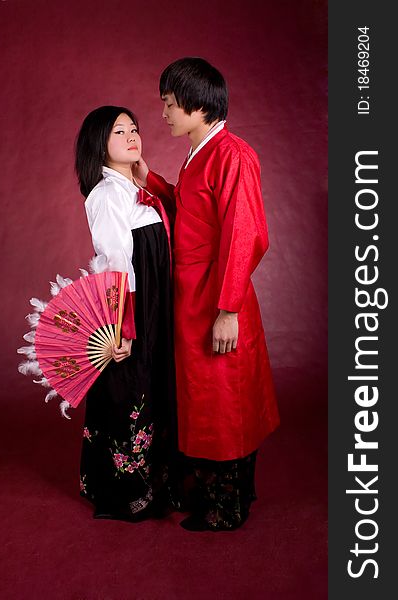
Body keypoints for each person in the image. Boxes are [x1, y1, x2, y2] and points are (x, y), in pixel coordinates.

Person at [132, 58, 280, 531]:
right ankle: (227, 494)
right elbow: (192, 213)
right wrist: (149, 179)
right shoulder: (201, 153)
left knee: (223, 399)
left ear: (198, 105)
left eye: (170, 105)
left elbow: (245, 233)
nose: (164, 115)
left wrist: (228, 309)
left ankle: (226, 507)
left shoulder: (232, 154)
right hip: (193, 294)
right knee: (207, 397)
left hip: (217, 294)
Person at [74, 106, 178, 521]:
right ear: (100, 142)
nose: (133, 135)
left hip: (155, 306)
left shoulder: (133, 186)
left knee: (153, 385)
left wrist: (145, 177)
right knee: (128, 389)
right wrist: (122, 327)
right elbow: (115, 263)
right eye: (120, 131)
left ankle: (157, 479)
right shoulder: (105, 194)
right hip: (131, 308)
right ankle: (124, 491)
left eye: (135, 128)